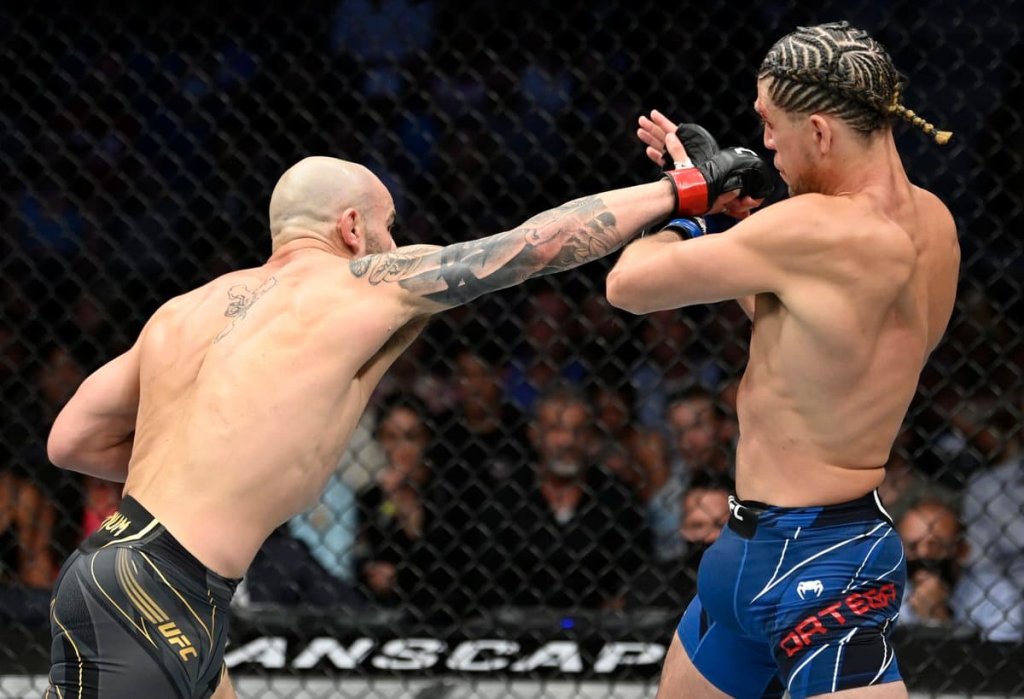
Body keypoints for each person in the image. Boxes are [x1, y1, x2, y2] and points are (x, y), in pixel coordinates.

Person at [44, 146, 762, 696]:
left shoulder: (184, 311)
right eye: (388, 227)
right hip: (155, 593)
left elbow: (71, 439)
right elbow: (537, 244)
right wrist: (683, 191)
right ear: (352, 227)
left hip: (141, 576)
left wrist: (210, 464)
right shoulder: (359, 284)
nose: (394, 244)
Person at [607, 21, 957, 699]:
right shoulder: (935, 224)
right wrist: (743, 227)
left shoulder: (811, 226)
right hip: (756, 547)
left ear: (819, 132)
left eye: (770, 124)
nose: (765, 143)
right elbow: (816, 335)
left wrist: (688, 206)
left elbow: (628, 285)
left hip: (822, 570)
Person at [897, 498, 1022, 642]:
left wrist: (938, 619)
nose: (923, 554)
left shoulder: (998, 596)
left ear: (963, 550)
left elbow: (1001, 653)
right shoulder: (884, 592)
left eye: (936, 545)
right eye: (912, 546)